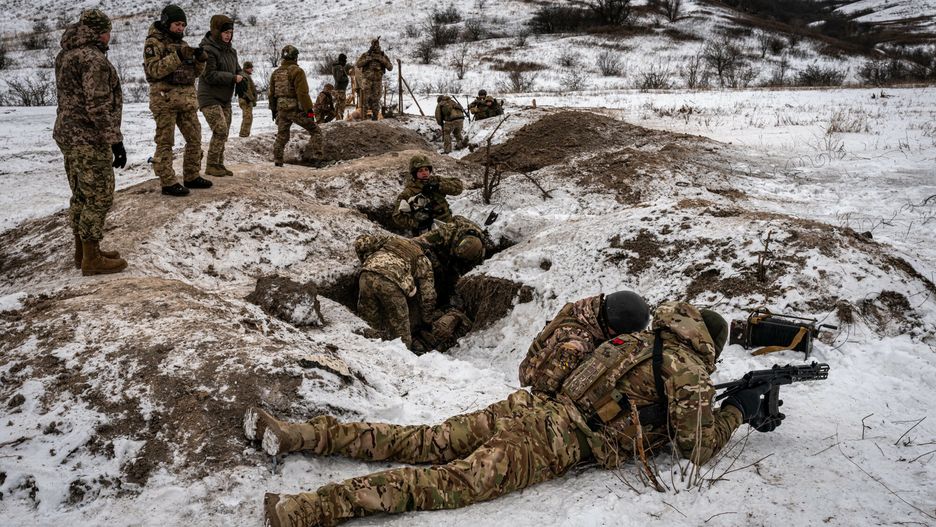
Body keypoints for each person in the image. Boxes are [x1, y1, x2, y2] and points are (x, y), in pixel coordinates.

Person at [247, 302, 770, 527]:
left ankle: (299, 434)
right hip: (553, 440)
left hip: (532, 405)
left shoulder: (641, 339)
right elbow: (696, 447)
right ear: (711, 346)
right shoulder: (688, 371)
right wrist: (739, 412)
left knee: (423, 440)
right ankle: (306, 511)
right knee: (443, 484)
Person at [53, 9, 128, 275]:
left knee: (81, 194)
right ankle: (92, 259)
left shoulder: (66, 54)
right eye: (108, 31)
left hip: (68, 135)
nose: (110, 36)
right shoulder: (93, 59)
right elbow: (97, 104)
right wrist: (115, 141)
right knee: (99, 195)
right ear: (99, 32)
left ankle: (82, 252)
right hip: (88, 137)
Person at [519, 290, 651, 395]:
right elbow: (543, 389)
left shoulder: (587, 312)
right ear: (614, 326)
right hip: (541, 376)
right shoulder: (577, 346)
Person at [143, 4, 212, 197]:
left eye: (183, 25)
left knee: (195, 137)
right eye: (177, 24)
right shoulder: (153, 43)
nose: (181, 28)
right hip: (164, 101)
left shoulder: (182, 44)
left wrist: (200, 60)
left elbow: (194, 74)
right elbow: (154, 70)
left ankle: (191, 175)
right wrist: (177, 56)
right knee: (165, 142)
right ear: (166, 22)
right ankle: (167, 182)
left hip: (186, 101)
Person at [353, 233, 438, 351]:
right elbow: (428, 296)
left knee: (369, 323)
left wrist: (365, 260)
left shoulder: (393, 239)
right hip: (392, 283)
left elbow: (362, 242)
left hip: (366, 274)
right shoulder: (422, 259)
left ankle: (366, 352)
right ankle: (403, 359)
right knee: (401, 333)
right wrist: (427, 321)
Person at [198, 14, 242, 177]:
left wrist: (241, 76)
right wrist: (232, 78)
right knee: (220, 130)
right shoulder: (207, 50)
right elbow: (208, 75)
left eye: (230, 32)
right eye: (225, 32)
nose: (228, 35)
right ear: (216, 31)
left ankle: (219, 164)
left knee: (225, 132)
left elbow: (237, 69)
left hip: (225, 99)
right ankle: (211, 165)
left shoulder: (232, 51)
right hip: (209, 97)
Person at [269, 45, 325, 167]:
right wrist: (310, 111)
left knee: (282, 136)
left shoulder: (275, 73)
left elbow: (271, 94)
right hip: (296, 111)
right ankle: (317, 158)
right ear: (295, 57)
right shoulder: (297, 71)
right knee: (315, 131)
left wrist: (273, 111)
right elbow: (302, 94)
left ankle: (278, 160)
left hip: (281, 110)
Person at [391, 155, 463, 235]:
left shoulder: (436, 180)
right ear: (415, 173)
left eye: (426, 169)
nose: (424, 173)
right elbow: (397, 216)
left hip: (448, 224)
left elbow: (459, 187)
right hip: (428, 233)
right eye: (420, 170)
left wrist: (439, 186)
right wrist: (417, 223)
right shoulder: (409, 192)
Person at [354, 38, 392, 121]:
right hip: (367, 81)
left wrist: (381, 60)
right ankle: (363, 119)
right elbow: (358, 64)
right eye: (374, 44)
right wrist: (368, 59)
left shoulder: (382, 55)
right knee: (365, 100)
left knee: (376, 100)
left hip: (377, 81)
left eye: (377, 44)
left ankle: (375, 119)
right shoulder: (366, 54)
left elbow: (390, 67)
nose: (376, 46)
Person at [237, 61, 257, 137]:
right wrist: (251, 99)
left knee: (247, 117)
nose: (252, 69)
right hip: (246, 99)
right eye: (251, 68)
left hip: (246, 99)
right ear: (247, 68)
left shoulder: (245, 75)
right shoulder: (244, 76)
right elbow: (246, 89)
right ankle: (244, 134)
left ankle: (244, 133)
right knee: (247, 118)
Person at [331, 54, 352, 119]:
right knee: (341, 106)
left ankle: (338, 119)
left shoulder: (337, 66)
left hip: (339, 89)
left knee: (338, 105)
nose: (345, 62)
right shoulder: (339, 67)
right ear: (342, 60)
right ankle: (339, 119)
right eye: (344, 60)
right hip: (340, 90)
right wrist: (346, 79)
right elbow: (339, 78)